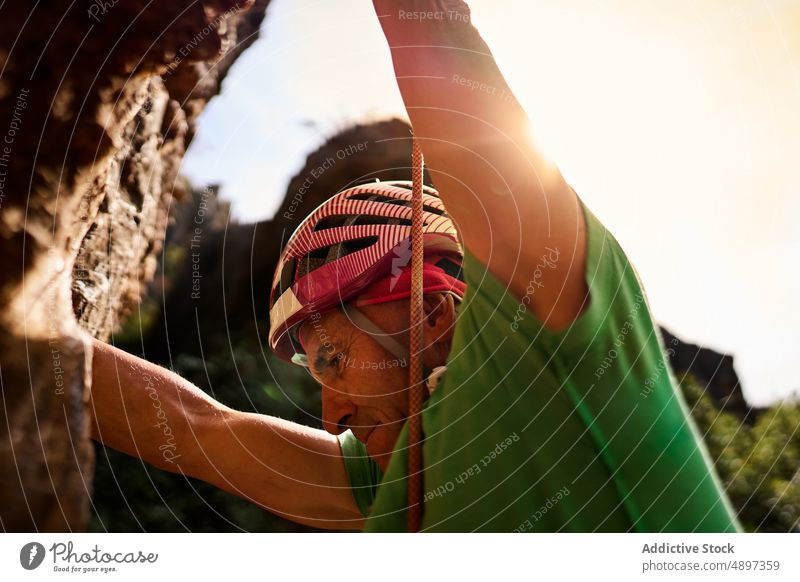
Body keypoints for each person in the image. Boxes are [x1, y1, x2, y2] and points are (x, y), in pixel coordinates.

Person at [88, 0, 742, 532]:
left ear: (430, 310)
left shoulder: (542, 334)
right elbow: (195, 426)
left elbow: (468, 119)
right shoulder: (385, 481)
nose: (330, 411)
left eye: (332, 362)